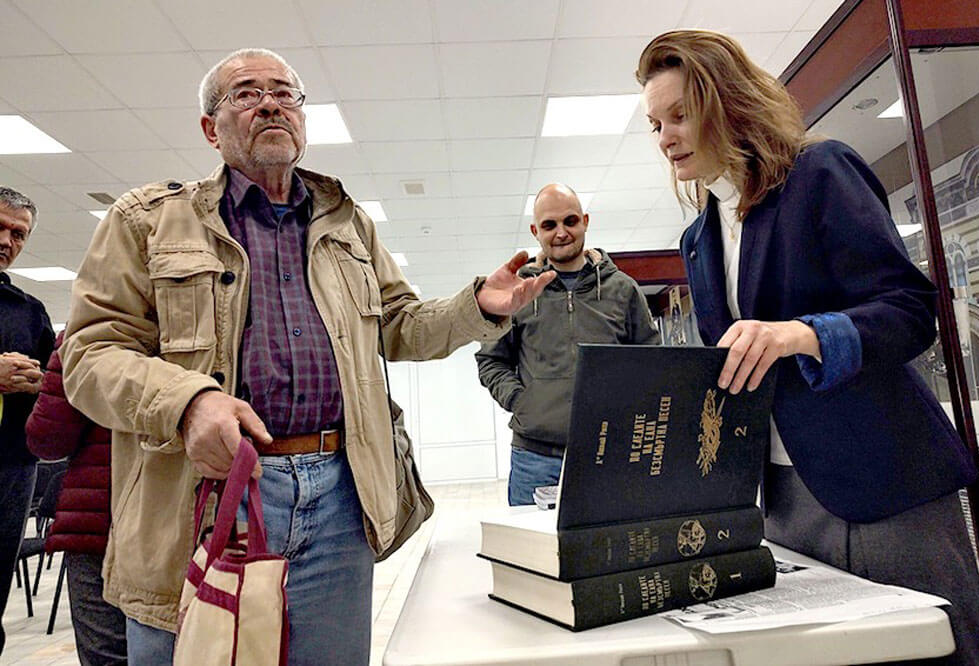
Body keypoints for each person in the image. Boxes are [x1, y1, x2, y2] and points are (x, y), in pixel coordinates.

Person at [60, 48, 552, 666]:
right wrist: (187, 402)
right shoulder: (149, 221)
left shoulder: (348, 224)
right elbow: (91, 351)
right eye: (246, 93)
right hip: (205, 496)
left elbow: (398, 325)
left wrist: (475, 305)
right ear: (211, 128)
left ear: (301, 118)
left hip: (339, 497)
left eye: (285, 93)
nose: (270, 104)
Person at [637, 29, 979, 664]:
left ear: (729, 102)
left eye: (680, 115)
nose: (665, 138)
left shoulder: (819, 173)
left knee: (941, 652)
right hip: (782, 502)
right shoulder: (697, 239)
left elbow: (912, 310)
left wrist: (801, 334)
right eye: (654, 124)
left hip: (882, 479)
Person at [476, 183, 659, 505]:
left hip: (611, 452)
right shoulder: (517, 293)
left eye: (570, 221)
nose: (561, 233)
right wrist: (521, 400)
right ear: (535, 231)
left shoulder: (622, 289)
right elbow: (491, 360)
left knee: (611, 537)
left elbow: (650, 361)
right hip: (535, 457)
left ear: (585, 221)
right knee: (532, 539)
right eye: (549, 225)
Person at [26, 331, 127, 666]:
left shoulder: (84, 334)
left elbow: (47, 440)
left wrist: (51, 386)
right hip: (184, 519)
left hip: (96, 518)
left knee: (106, 655)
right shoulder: (210, 322)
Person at [0, 187, 54, 656]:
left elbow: (55, 384)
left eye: (18, 234)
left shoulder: (29, 311)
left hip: (13, 469)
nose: (7, 241)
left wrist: (41, 382)